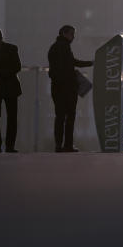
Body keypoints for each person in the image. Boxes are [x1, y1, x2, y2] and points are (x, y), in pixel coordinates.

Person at [47, 24, 93, 152]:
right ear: (64, 33)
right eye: (72, 34)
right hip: (67, 88)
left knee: (60, 116)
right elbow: (73, 63)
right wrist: (91, 63)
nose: (73, 37)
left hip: (57, 87)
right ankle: (68, 145)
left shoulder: (55, 47)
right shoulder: (64, 47)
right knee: (70, 116)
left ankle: (58, 145)